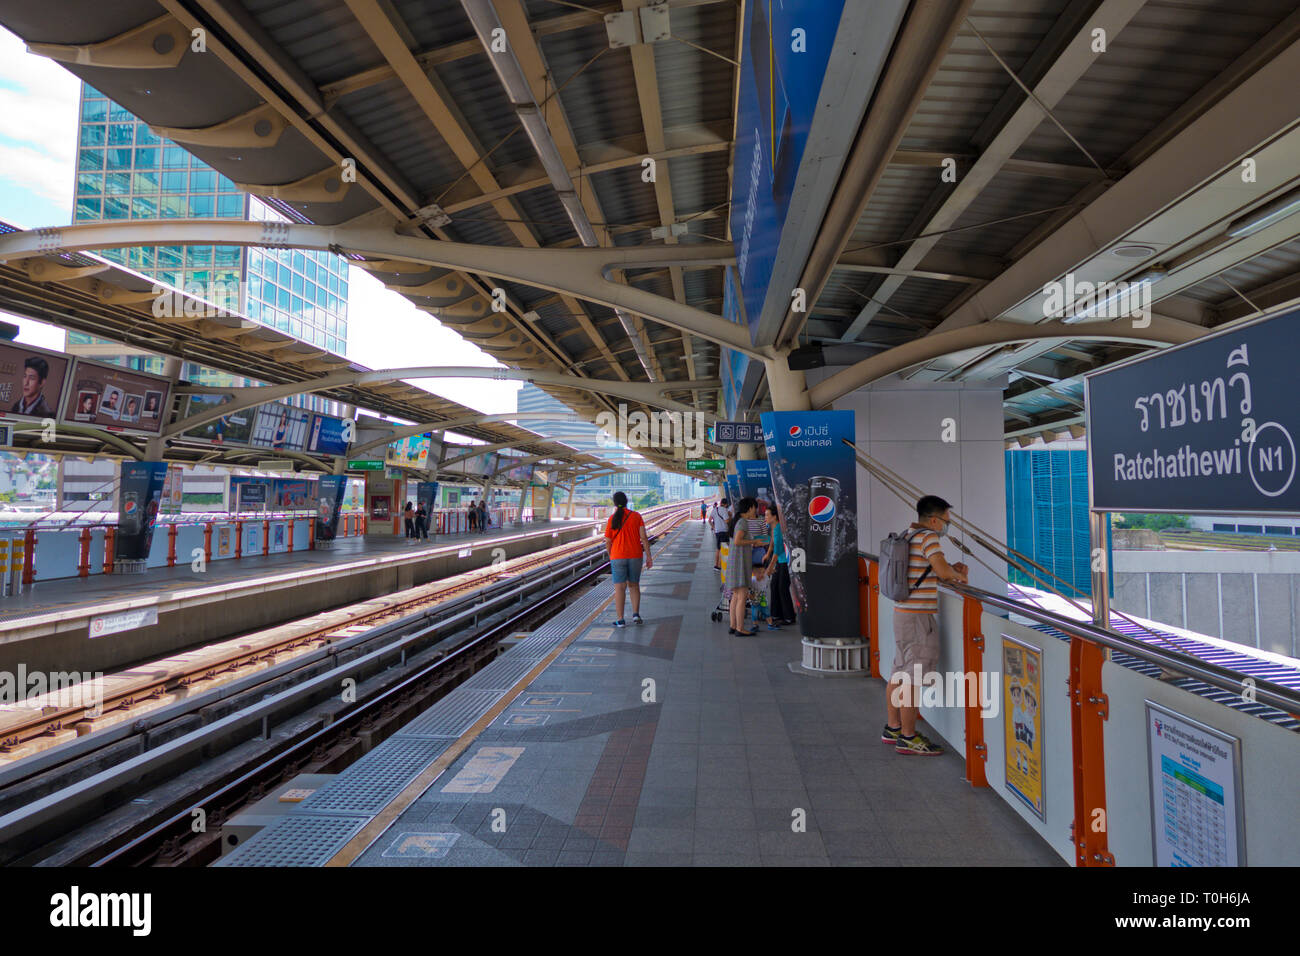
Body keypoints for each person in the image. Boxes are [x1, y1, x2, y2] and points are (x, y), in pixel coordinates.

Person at [884, 495, 968, 756]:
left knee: (899, 670)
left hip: (902, 613)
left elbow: (927, 569)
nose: (947, 525)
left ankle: (893, 727)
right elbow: (943, 573)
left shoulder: (908, 535)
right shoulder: (929, 537)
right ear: (934, 519)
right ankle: (908, 737)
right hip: (918, 618)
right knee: (913, 678)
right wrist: (959, 573)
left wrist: (946, 568)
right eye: (946, 520)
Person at [605, 491, 652, 628]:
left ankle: (620, 619)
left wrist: (611, 555)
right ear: (626, 501)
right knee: (634, 585)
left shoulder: (612, 519)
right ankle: (636, 614)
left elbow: (608, 541)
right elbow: (643, 537)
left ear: (614, 503)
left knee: (620, 588)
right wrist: (649, 556)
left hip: (617, 556)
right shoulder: (636, 516)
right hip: (635, 555)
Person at [724, 497, 758, 636]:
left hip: (734, 562)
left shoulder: (736, 520)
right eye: (755, 508)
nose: (755, 511)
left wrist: (751, 542)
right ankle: (740, 628)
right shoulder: (743, 521)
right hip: (740, 563)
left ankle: (733, 626)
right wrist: (753, 541)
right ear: (750, 508)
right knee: (742, 596)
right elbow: (738, 541)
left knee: (736, 596)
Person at [763, 504, 796, 627]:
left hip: (784, 562)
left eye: (767, 515)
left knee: (782, 587)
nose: (765, 517)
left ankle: (789, 617)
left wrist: (770, 567)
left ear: (775, 516)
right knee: (774, 585)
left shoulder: (779, 529)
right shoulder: (774, 526)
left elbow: (777, 550)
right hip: (779, 561)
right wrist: (767, 553)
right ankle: (776, 614)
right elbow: (772, 542)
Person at [710, 497, 732, 571]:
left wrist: (713, 527)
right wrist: (730, 516)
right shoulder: (725, 510)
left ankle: (716, 565)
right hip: (724, 531)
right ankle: (721, 566)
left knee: (718, 549)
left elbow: (709, 520)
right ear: (726, 504)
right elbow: (726, 521)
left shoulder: (714, 509)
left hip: (717, 532)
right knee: (724, 549)